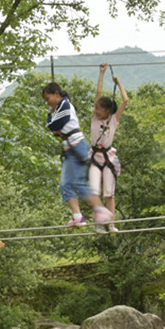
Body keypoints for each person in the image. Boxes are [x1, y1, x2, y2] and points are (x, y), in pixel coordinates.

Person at [43, 82, 113, 230]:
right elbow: (50, 123)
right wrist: (52, 115)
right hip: (70, 148)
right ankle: (77, 217)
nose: (47, 102)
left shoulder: (65, 104)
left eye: (48, 98)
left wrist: (52, 116)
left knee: (79, 183)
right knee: (65, 184)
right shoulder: (59, 108)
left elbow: (53, 125)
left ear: (57, 94)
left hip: (77, 146)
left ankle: (101, 210)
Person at [90, 63, 129, 234]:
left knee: (109, 194)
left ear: (107, 111)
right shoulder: (94, 119)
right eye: (96, 108)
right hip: (94, 157)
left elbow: (125, 100)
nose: (96, 111)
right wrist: (102, 73)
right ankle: (99, 223)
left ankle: (111, 224)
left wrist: (117, 81)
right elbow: (98, 93)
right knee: (94, 191)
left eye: (99, 109)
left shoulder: (113, 120)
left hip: (108, 158)